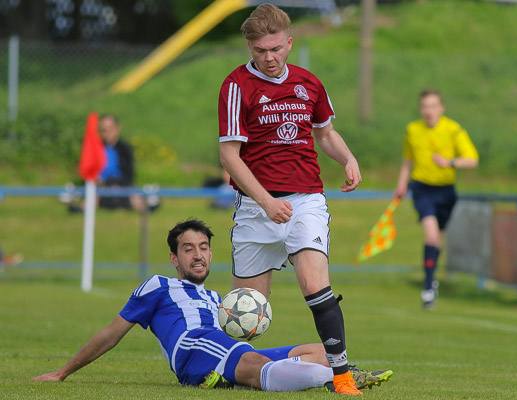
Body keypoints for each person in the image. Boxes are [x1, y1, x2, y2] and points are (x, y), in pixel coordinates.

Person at [31, 218, 392, 392]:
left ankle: (323, 370)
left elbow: (233, 337)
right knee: (256, 363)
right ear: (174, 258)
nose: (198, 255)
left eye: (203, 247)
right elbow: (112, 333)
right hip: (193, 346)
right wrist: (63, 372)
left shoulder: (217, 298)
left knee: (318, 349)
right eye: (188, 249)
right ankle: (339, 380)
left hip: (219, 348)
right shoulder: (158, 286)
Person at [218, 4, 363, 395]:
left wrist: (347, 158)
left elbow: (326, 133)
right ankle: (227, 371)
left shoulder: (309, 83)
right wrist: (265, 201)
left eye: (276, 49)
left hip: (305, 201)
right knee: (243, 311)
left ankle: (343, 377)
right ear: (249, 46)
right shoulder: (236, 86)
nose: (269, 57)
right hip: (256, 207)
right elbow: (229, 155)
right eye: (260, 50)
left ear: (289, 43)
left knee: (315, 284)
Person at [394, 89, 479, 309]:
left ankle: (431, 279)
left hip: (446, 192)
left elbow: (472, 160)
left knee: (437, 240)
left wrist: (450, 162)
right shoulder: (412, 130)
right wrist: (402, 183)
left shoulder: (453, 130)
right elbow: (407, 160)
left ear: (441, 108)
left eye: (433, 106)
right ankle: (428, 287)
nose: (428, 111)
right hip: (422, 189)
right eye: (424, 106)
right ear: (420, 109)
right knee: (431, 236)